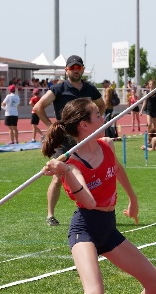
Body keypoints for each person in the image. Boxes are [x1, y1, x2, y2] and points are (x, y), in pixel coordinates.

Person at [41, 98, 156, 294]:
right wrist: (65, 171)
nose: (104, 119)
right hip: (85, 230)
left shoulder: (106, 145)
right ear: (84, 125)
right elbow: (89, 203)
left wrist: (133, 199)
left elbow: (116, 169)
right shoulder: (72, 165)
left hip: (108, 229)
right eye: (98, 116)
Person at [33, 54, 106, 226]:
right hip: (64, 141)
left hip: (85, 139)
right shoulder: (59, 89)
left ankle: (90, 210)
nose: (75, 70)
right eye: (72, 68)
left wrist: (96, 120)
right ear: (66, 70)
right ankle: (50, 215)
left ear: (82, 69)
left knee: (90, 174)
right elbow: (38, 107)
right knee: (58, 177)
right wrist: (51, 126)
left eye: (78, 67)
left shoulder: (89, 89)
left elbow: (102, 105)